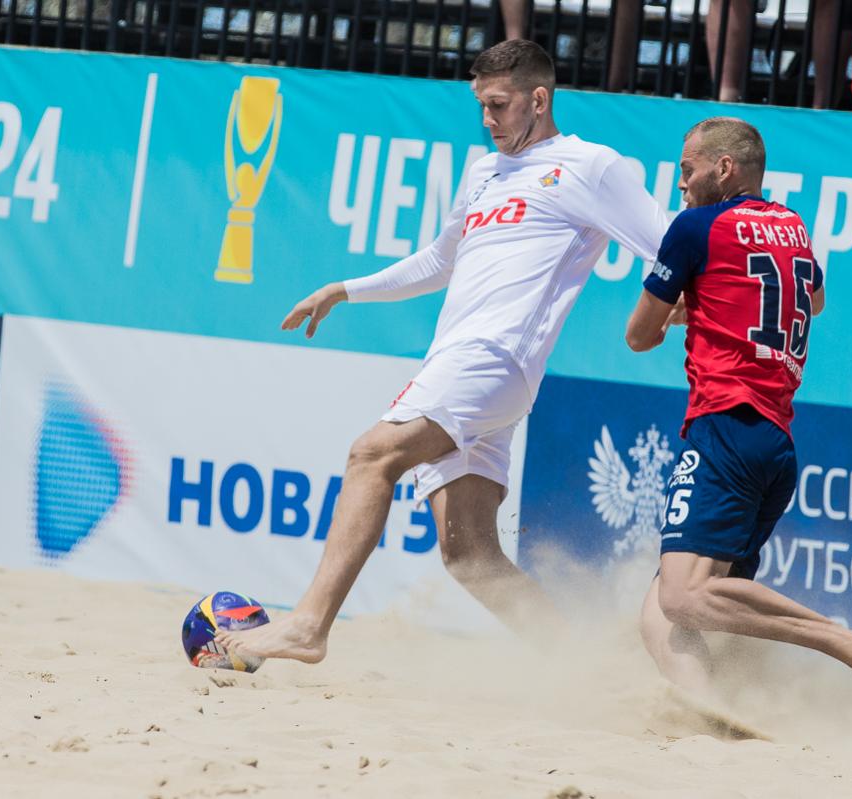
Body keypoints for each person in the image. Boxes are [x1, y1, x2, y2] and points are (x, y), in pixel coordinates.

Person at [217, 39, 669, 662]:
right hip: (462, 362)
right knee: (469, 553)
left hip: (495, 357)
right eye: (480, 105)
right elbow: (438, 260)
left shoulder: (591, 165)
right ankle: (586, 668)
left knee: (372, 455)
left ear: (539, 100)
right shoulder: (485, 172)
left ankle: (308, 626)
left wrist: (685, 307)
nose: (487, 119)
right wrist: (345, 290)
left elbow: (668, 245)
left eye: (498, 105)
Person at [624, 117, 852, 700]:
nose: (681, 184)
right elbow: (814, 300)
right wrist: (711, 303)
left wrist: (684, 309)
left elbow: (638, 336)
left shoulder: (695, 226)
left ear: (724, 167)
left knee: (682, 597)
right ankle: (715, 712)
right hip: (774, 442)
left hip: (726, 426)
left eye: (687, 169)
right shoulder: (792, 226)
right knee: (661, 616)